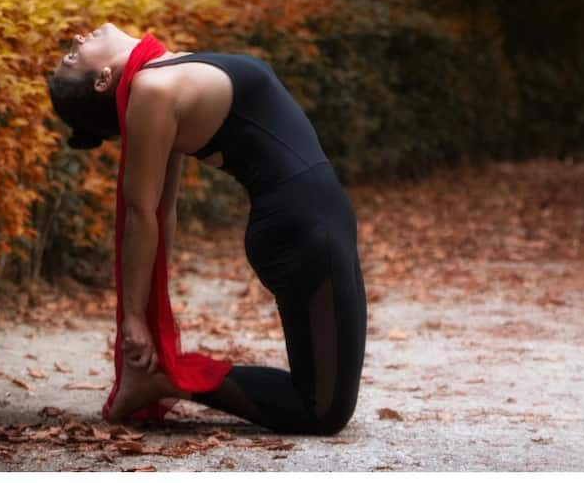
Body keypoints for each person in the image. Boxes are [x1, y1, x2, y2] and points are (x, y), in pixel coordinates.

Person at [47, 22, 367, 435]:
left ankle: (161, 379)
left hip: (318, 224)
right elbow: (143, 214)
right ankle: (163, 380)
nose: (75, 40)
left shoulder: (166, 73)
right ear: (104, 79)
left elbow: (164, 212)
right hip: (302, 231)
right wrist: (134, 319)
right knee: (323, 412)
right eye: (73, 58)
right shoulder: (152, 91)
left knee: (326, 399)